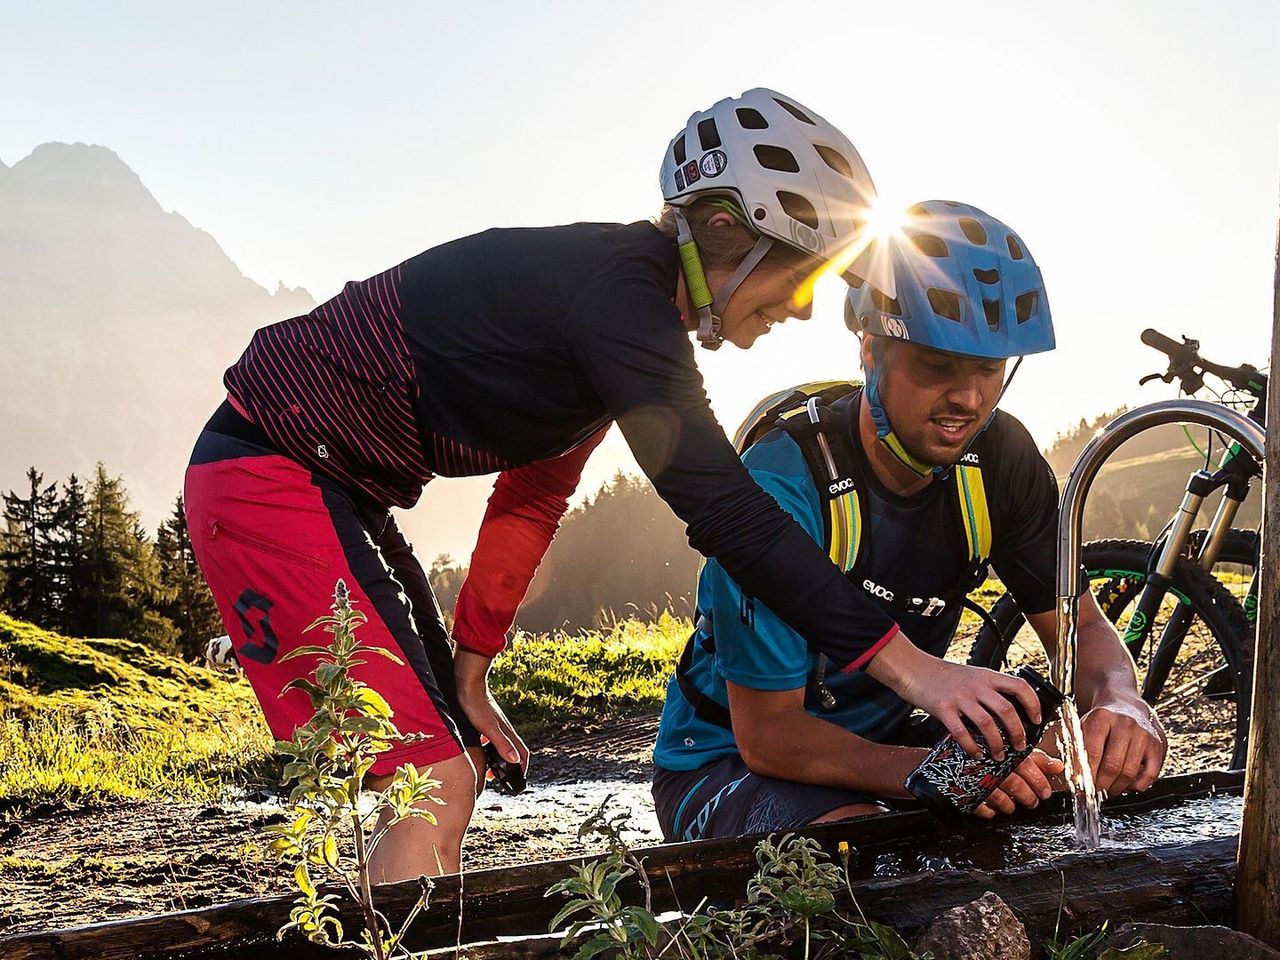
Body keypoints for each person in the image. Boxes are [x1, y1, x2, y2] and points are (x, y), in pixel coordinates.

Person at [184, 90, 1049, 881]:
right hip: (273, 475)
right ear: (722, 233)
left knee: (442, 767)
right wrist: (913, 672)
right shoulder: (619, 301)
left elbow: (532, 498)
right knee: (434, 779)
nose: (802, 310)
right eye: (803, 276)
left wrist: (472, 673)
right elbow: (722, 508)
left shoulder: (602, 322)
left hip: (333, 488)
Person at [652, 201, 1168, 841]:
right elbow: (769, 737)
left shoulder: (1001, 463)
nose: (968, 398)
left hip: (889, 738)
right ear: (871, 350)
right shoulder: (785, 484)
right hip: (725, 762)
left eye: (987, 368)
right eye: (936, 365)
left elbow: (1081, 627)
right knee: (864, 856)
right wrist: (929, 774)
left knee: (1039, 801)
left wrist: (1121, 698)